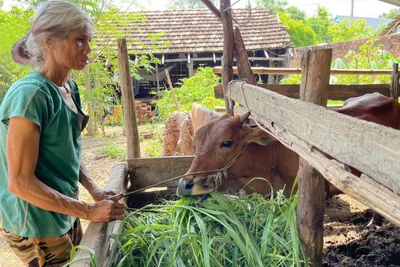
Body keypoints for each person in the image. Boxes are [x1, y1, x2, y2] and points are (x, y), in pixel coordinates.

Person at [0, 1, 126, 266]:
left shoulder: (69, 88)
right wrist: (89, 211)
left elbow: (65, 149)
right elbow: (19, 183)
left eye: (88, 40)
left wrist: (93, 189)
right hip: (36, 223)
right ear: (48, 42)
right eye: (79, 40)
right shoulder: (30, 95)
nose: (88, 49)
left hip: (62, 209)